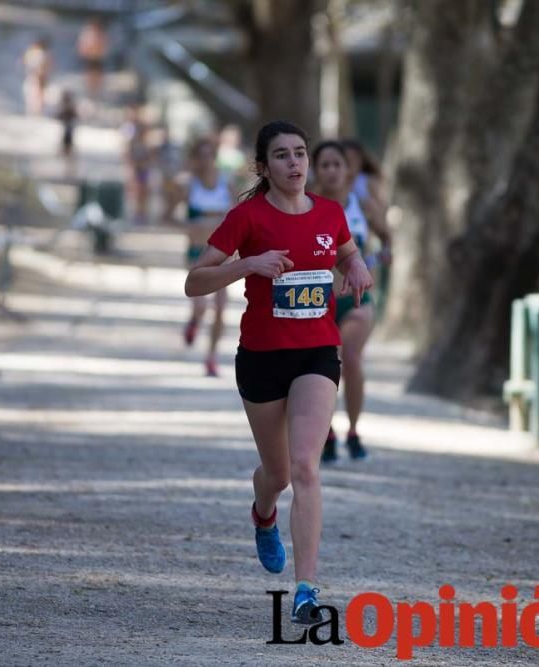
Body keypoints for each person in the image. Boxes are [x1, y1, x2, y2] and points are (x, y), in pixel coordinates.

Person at [184, 120, 373, 624]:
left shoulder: (331, 213)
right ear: (264, 167)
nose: (295, 163)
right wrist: (248, 265)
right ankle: (262, 512)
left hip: (316, 352)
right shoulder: (246, 217)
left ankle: (306, 591)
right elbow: (194, 282)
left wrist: (356, 267)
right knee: (279, 474)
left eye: (300, 154)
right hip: (263, 357)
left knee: (307, 467)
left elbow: (348, 251)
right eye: (283, 156)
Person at [311, 141, 392, 462]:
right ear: (316, 170)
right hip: (316, 301)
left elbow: (387, 238)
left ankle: (354, 431)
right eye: (324, 165)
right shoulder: (307, 206)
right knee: (324, 367)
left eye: (337, 164)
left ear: (349, 170)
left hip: (356, 299)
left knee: (351, 360)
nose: (331, 171)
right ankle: (326, 432)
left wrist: (376, 259)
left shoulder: (363, 206)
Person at [179, 136, 235, 377]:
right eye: (200, 156)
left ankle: (211, 357)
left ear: (215, 157)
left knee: (221, 308)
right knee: (201, 305)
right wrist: (190, 225)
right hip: (196, 252)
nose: (205, 160)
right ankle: (194, 321)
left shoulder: (227, 184)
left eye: (209, 155)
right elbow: (167, 214)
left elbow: (237, 218)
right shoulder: (188, 185)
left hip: (222, 254)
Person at [77, 16, 109, 101]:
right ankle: (90, 92)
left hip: (97, 58)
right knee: (89, 76)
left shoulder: (101, 34)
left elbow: (105, 47)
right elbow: (82, 46)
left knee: (97, 76)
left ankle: (96, 92)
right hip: (89, 58)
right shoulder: (88, 33)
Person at [21, 37, 52, 115]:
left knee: (33, 93)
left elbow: (23, 61)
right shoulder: (41, 53)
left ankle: (34, 111)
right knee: (36, 93)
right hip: (37, 76)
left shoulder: (33, 52)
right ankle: (36, 111)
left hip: (35, 76)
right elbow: (48, 65)